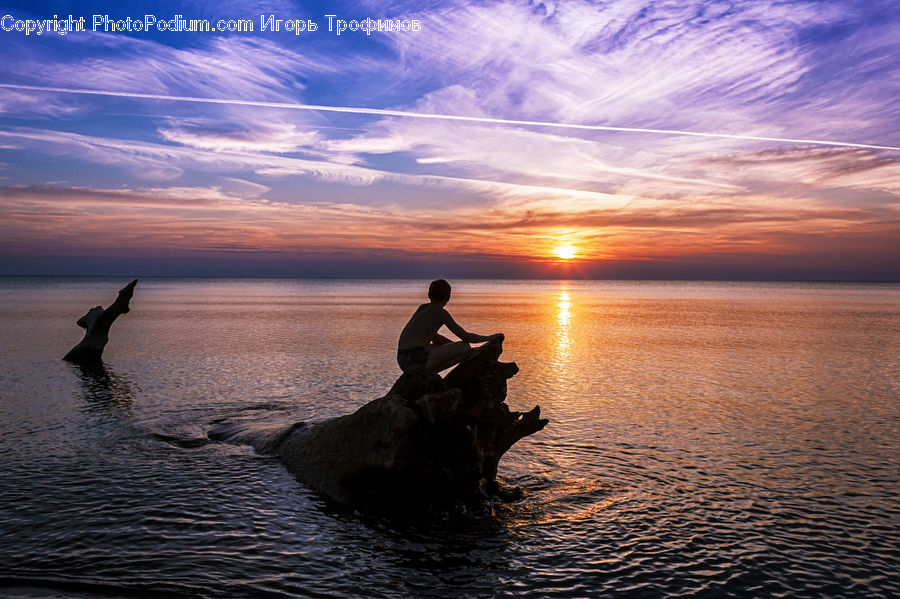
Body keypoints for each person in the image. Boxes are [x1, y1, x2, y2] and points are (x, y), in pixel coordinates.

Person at [397, 279, 503, 373]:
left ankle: (430, 374)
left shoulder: (423, 308)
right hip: (414, 359)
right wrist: (491, 338)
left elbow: (435, 337)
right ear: (448, 297)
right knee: (464, 346)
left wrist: (453, 347)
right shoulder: (441, 313)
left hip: (403, 360)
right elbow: (466, 337)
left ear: (429, 295)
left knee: (462, 352)